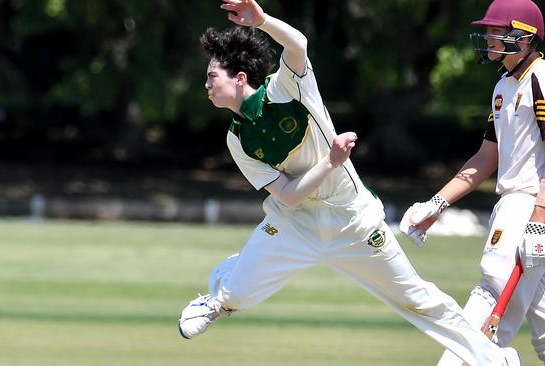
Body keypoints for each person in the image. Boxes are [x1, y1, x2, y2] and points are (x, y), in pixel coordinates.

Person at [177, 1, 520, 365]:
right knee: (235, 294)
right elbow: (290, 196)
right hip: (295, 222)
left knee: (418, 300)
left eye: (212, 76)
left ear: (240, 78)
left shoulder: (287, 88)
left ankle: (495, 361)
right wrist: (330, 162)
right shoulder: (237, 139)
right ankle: (216, 298)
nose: (207, 85)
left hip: (353, 220)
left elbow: (298, 46)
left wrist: (262, 22)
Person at [400, 0, 545, 365]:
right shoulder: (503, 86)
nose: (489, 36)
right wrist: (436, 204)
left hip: (530, 207)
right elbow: (485, 158)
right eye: (489, 29)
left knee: (491, 291)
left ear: (523, 37)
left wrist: (537, 221)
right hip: (515, 208)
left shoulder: (544, 76)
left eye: (497, 30)